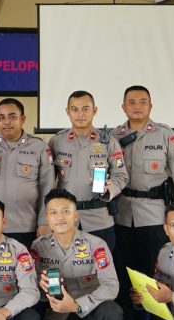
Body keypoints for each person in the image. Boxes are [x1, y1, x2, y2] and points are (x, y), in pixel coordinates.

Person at [31, 189, 124, 320]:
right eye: (53, 212)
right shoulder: (39, 247)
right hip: (58, 316)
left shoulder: (96, 245)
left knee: (112, 311)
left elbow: (111, 286)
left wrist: (76, 305)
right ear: (47, 217)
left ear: (76, 216)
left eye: (65, 211)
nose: (60, 217)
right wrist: (40, 285)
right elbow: (31, 288)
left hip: (90, 314)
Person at [113, 85, 174, 320]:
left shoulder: (165, 135)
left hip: (155, 214)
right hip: (121, 213)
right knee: (124, 270)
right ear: (123, 107)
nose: (137, 106)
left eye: (142, 102)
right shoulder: (113, 136)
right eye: (132, 102)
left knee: (155, 271)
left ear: (150, 105)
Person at [0, 98, 54, 248]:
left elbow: (48, 187)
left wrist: (45, 221)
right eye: (1, 118)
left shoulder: (39, 147)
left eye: (12, 117)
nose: (6, 122)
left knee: (26, 263)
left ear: (22, 119)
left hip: (25, 225)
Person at [48, 91, 129, 249]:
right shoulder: (57, 141)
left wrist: (109, 189)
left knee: (102, 263)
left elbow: (121, 176)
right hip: (65, 219)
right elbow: (47, 179)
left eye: (85, 109)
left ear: (94, 110)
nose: (80, 114)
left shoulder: (108, 142)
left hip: (99, 219)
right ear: (67, 111)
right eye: (75, 109)